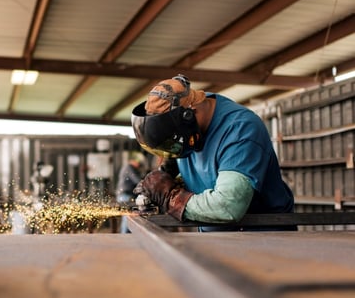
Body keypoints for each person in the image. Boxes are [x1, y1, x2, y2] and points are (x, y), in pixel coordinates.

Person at [131, 74, 294, 231]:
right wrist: (168, 171)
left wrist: (171, 197)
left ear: (189, 115)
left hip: (263, 238)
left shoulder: (240, 130)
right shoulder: (191, 120)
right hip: (219, 234)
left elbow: (228, 206)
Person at [115, 151, 146, 232]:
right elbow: (137, 180)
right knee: (128, 218)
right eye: (139, 162)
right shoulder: (129, 167)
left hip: (125, 195)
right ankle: (125, 238)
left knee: (128, 217)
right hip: (125, 196)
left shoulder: (128, 167)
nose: (139, 165)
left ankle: (125, 236)